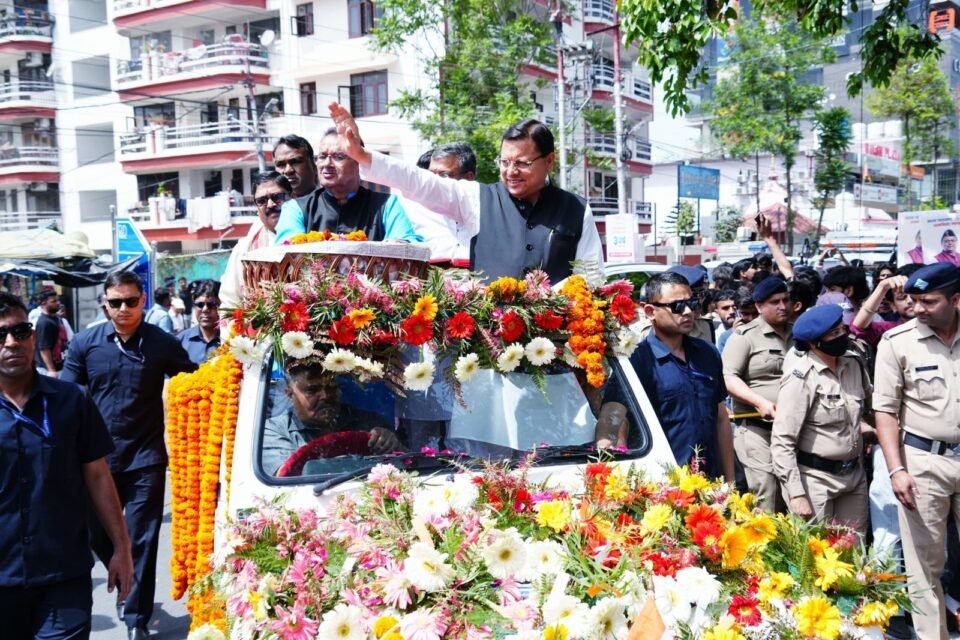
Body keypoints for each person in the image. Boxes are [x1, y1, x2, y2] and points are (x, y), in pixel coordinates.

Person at [329, 101, 604, 283]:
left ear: (550, 161)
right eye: (504, 162)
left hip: (555, 348)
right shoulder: (476, 198)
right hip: (488, 347)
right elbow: (420, 181)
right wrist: (362, 155)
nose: (511, 171)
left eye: (522, 163)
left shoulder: (576, 210)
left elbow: (591, 279)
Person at [61, 272, 196, 640]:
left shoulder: (162, 344)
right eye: (116, 302)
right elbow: (65, 398)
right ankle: (124, 577)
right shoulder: (85, 344)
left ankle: (136, 618)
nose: (123, 308)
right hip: (95, 462)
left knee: (142, 539)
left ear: (142, 301)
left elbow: (193, 382)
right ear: (105, 303)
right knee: (96, 534)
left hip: (145, 458)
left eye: (131, 301)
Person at [0, 292, 134, 640]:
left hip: (64, 578)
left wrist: (121, 548)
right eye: (1, 335)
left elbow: (98, 476)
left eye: (19, 331)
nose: (11, 342)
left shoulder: (71, 400)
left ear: (33, 336)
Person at [873, 262, 960, 639]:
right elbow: (885, 411)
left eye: (929, 301)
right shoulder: (897, 342)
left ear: (956, 300)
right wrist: (896, 470)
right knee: (925, 566)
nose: (917, 308)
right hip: (923, 463)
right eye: (914, 300)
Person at [771, 304, 870, 533]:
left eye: (842, 329)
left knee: (854, 548)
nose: (843, 335)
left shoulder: (853, 363)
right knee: (817, 549)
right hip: (814, 480)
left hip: (854, 476)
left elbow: (866, 408)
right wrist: (796, 494)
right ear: (814, 343)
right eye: (834, 333)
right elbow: (782, 440)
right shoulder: (801, 377)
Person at [627, 272, 734, 480]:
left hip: (711, 481)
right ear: (650, 311)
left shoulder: (708, 353)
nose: (687, 311)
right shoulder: (637, 361)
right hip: (664, 485)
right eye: (677, 306)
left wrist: (730, 481)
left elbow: (721, 418)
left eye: (692, 303)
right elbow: (623, 423)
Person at [274, 127, 422, 244]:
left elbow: (408, 246)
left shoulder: (386, 205)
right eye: (322, 157)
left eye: (338, 157)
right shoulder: (296, 208)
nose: (327, 164)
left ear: (359, 163)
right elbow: (286, 252)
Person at [722, 276, 794, 512]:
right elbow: (728, 378)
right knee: (766, 491)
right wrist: (760, 402)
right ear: (759, 306)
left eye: (786, 300)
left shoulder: (800, 335)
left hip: (795, 428)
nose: (783, 306)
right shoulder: (746, 336)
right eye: (775, 302)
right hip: (757, 427)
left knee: (794, 493)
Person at [262, 364, 402, 475]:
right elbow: (288, 477)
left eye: (331, 388)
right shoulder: (273, 432)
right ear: (290, 395)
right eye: (312, 390)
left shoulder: (368, 422)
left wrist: (390, 443)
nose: (325, 396)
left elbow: (406, 464)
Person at [219, 172, 292, 313]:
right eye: (262, 201)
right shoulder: (244, 249)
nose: (270, 204)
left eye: (277, 197)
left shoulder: (311, 237)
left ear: (291, 197)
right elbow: (230, 301)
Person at [404, 144, 476, 262]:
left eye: (443, 175)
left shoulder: (489, 211)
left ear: (469, 177)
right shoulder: (411, 210)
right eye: (430, 175)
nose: (433, 182)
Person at [178, 281, 222, 365]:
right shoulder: (180, 341)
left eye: (212, 304)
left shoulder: (232, 341)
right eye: (200, 304)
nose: (205, 309)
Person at [33, 289, 66, 377]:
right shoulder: (44, 323)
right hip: (48, 370)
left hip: (59, 365)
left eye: (58, 300)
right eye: (54, 301)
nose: (58, 303)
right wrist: (51, 370)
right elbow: (44, 348)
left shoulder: (55, 318)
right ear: (43, 303)